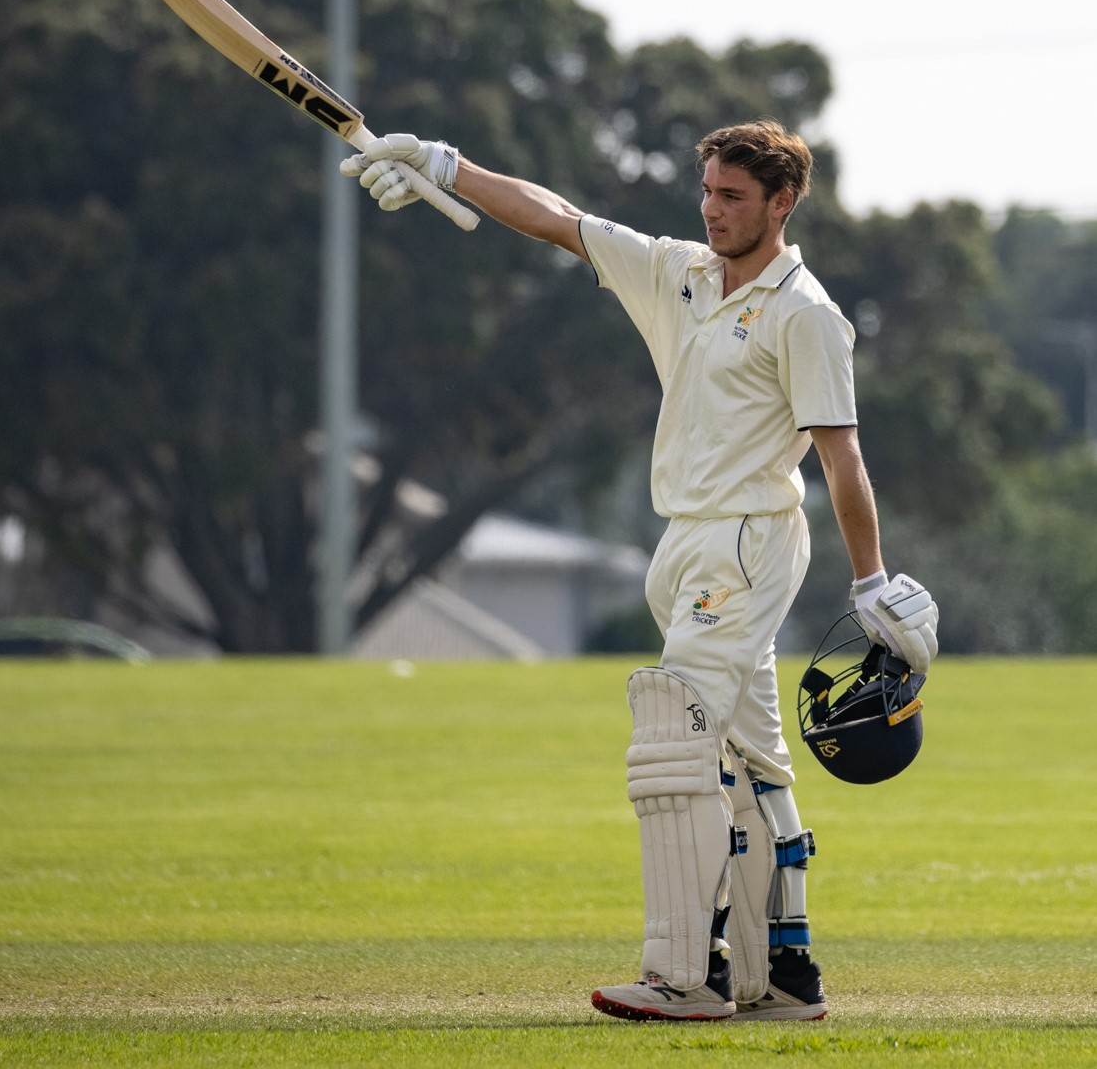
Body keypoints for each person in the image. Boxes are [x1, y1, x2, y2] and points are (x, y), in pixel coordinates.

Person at [339, 120, 939, 1022]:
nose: (713, 209)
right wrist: (443, 166)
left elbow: (839, 457)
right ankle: (785, 975)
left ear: (782, 204)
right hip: (685, 540)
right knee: (750, 759)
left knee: (673, 735)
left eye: (733, 197)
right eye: (707, 191)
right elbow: (560, 220)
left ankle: (687, 977)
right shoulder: (680, 271)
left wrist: (869, 583)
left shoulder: (804, 312)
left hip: (747, 539)